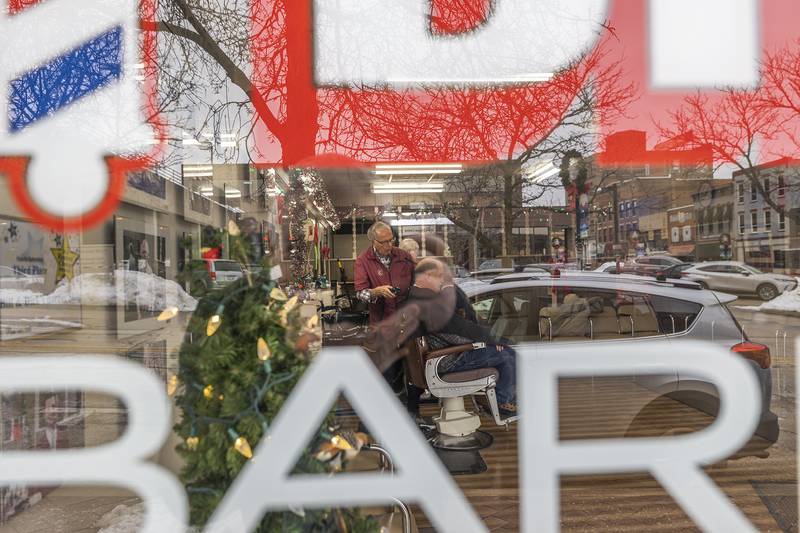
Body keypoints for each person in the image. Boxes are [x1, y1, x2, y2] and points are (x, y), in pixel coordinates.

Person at [403, 258, 518, 416]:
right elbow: (461, 331)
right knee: (508, 356)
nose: (443, 281)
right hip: (446, 361)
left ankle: (499, 399)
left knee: (506, 352)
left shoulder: (414, 298)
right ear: (428, 276)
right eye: (440, 277)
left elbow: (456, 330)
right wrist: (492, 341)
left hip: (436, 359)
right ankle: (501, 403)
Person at [354, 221, 415, 325]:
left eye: (391, 240)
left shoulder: (404, 256)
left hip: (406, 319)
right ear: (373, 241)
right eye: (384, 242)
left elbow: (415, 283)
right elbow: (360, 294)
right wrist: (377, 292)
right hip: (381, 322)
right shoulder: (363, 260)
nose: (389, 245)